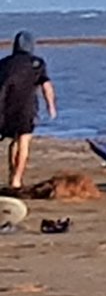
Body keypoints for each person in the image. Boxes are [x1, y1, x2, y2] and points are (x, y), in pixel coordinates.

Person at [0, 32, 57, 189]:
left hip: (4, 107)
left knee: (14, 141)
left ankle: (13, 175)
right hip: (26, 108)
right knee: (23, 141)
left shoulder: (3, 63)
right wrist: (50, 106)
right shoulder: (36, 63)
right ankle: (16, 179)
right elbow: (46, 85)